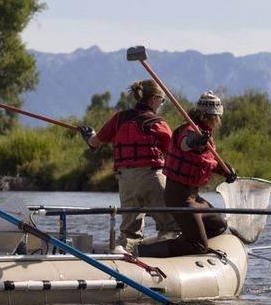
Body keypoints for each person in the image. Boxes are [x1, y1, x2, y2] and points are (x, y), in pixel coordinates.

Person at [79, 80, 180, 253]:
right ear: (155, 99)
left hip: (125, 181)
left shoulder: (119, 118)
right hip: (151, 178)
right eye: (162, 101)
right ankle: (166, 261)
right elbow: (175, 153)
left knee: (129, 233)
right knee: (172, 227)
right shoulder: (158, 124)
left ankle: (122, 258)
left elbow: (94, 143)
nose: (162, 104)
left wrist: (89, 135)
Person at [138, 91, 237, 258]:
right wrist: (194, 141)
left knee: (218, 225)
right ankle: (140, 252)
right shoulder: (190, 130)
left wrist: (224, 170)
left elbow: (206, 161)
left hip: (194, 198)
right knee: (199, 246)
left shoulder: (206, 136)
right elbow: (185, 144)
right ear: (208, 116)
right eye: (216, 118)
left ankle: (186, 241)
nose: (217, 121)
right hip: (179, 199)